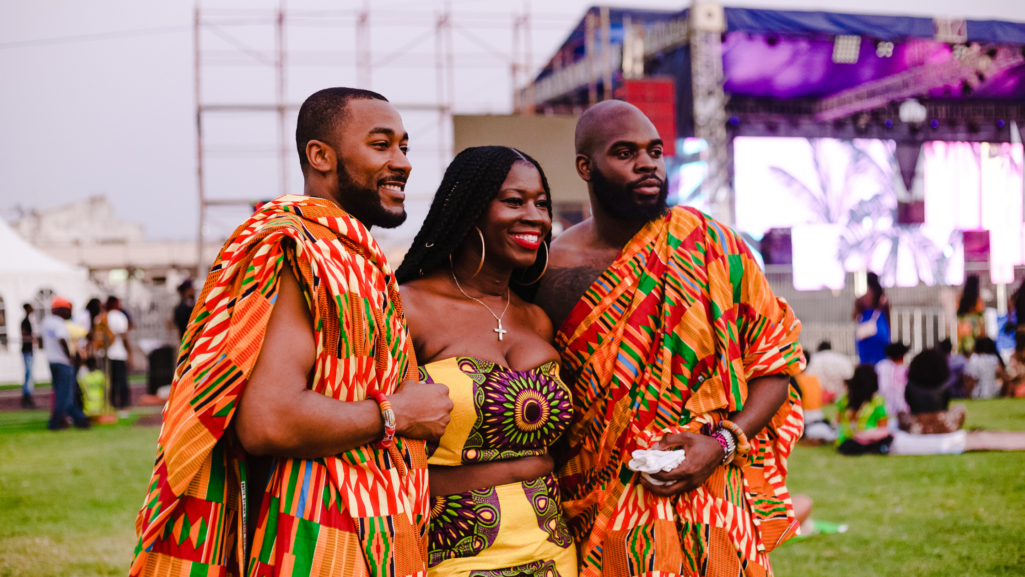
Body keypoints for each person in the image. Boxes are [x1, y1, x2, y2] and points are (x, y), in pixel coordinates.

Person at [131, 88, 452, 577]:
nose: (402, 162)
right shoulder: (298, 250)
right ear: (320, 156)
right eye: (381, 144)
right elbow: (269, 421)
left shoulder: (353, 256)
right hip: (313, 540)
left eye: (404, 147)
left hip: (376, 529)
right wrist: (397, 414)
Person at [534, 100, 806, 577]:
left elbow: (775, 366)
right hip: (599, 506)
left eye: (654, 151)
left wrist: (720, 443)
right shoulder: (549, 268)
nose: (647, 163)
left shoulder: (713, 245)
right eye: (624, 152)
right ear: (586, 166)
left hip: (713, 498)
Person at [396, 146, 576, 575]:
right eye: (514, 201)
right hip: (452, 555)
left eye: (542, 204)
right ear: (469, 210)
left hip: (553, 550)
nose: (535, 216)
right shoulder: (407, 308)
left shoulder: (537, 319)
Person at [41, 297, 89, 430]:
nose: (69, 314)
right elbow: (62, 339)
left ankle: (80, 419)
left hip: (52, 361)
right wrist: (70, 357)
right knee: (65, 395)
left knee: (62, 393)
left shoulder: (46, 322)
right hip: (63, 362)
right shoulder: (59, 323)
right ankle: (57, 423)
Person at [835, 364, 889, 447]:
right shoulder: (877, 402)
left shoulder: (843, 399)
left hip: (843, 440)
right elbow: (883, 428)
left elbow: (838, 422)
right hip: (868, 441)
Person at [853, 272, 891, 365]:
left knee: (866, 364)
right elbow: (888, 316)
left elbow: (855, 316)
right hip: (881, 329)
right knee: (882, 363)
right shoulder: (883, 298)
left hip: (866, 332)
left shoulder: (862, 299)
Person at [104, 296, 132, 414]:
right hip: (119, 353)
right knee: (122, 381)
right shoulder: (120, 317)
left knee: (110, 381)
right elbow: (124, 336)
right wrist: (129, 352)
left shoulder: (104, 317)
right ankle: (123, 405)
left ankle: (111, 404)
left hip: (106, 353)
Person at [876, 342, 910, 426]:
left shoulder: (880, 367)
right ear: (902, 356)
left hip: (882, 411)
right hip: (902, 412)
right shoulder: (904, 370)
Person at [956, 274, 986, 355]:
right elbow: (981, 314)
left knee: (964, 353)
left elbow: (958, 312)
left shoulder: (960, 296)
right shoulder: (978, 298)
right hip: (975, 329)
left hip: (963, 329)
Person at [20, 303, 36, 409]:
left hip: (29, 350)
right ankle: (27, 395)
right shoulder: (25, 322)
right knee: (28, 373)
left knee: (29, 372)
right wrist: (31, 338)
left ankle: (27, 395)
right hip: (27, 350)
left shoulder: (27, 321)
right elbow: (24, 333)